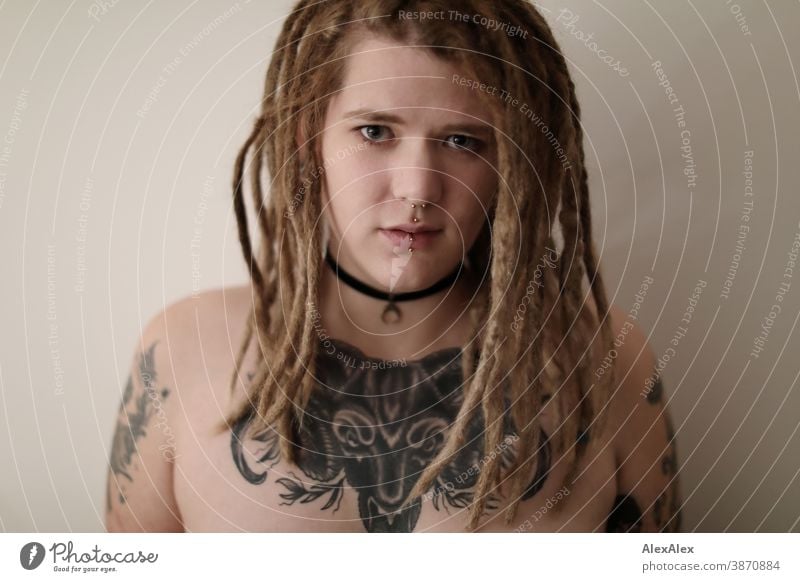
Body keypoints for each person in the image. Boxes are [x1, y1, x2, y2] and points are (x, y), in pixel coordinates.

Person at [105, 0, 681, 533]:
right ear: (311, 138)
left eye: (463, 140)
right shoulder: (181, 351)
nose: (418, 188)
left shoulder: (602, 360)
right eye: (375, 131)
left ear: (512, 159)